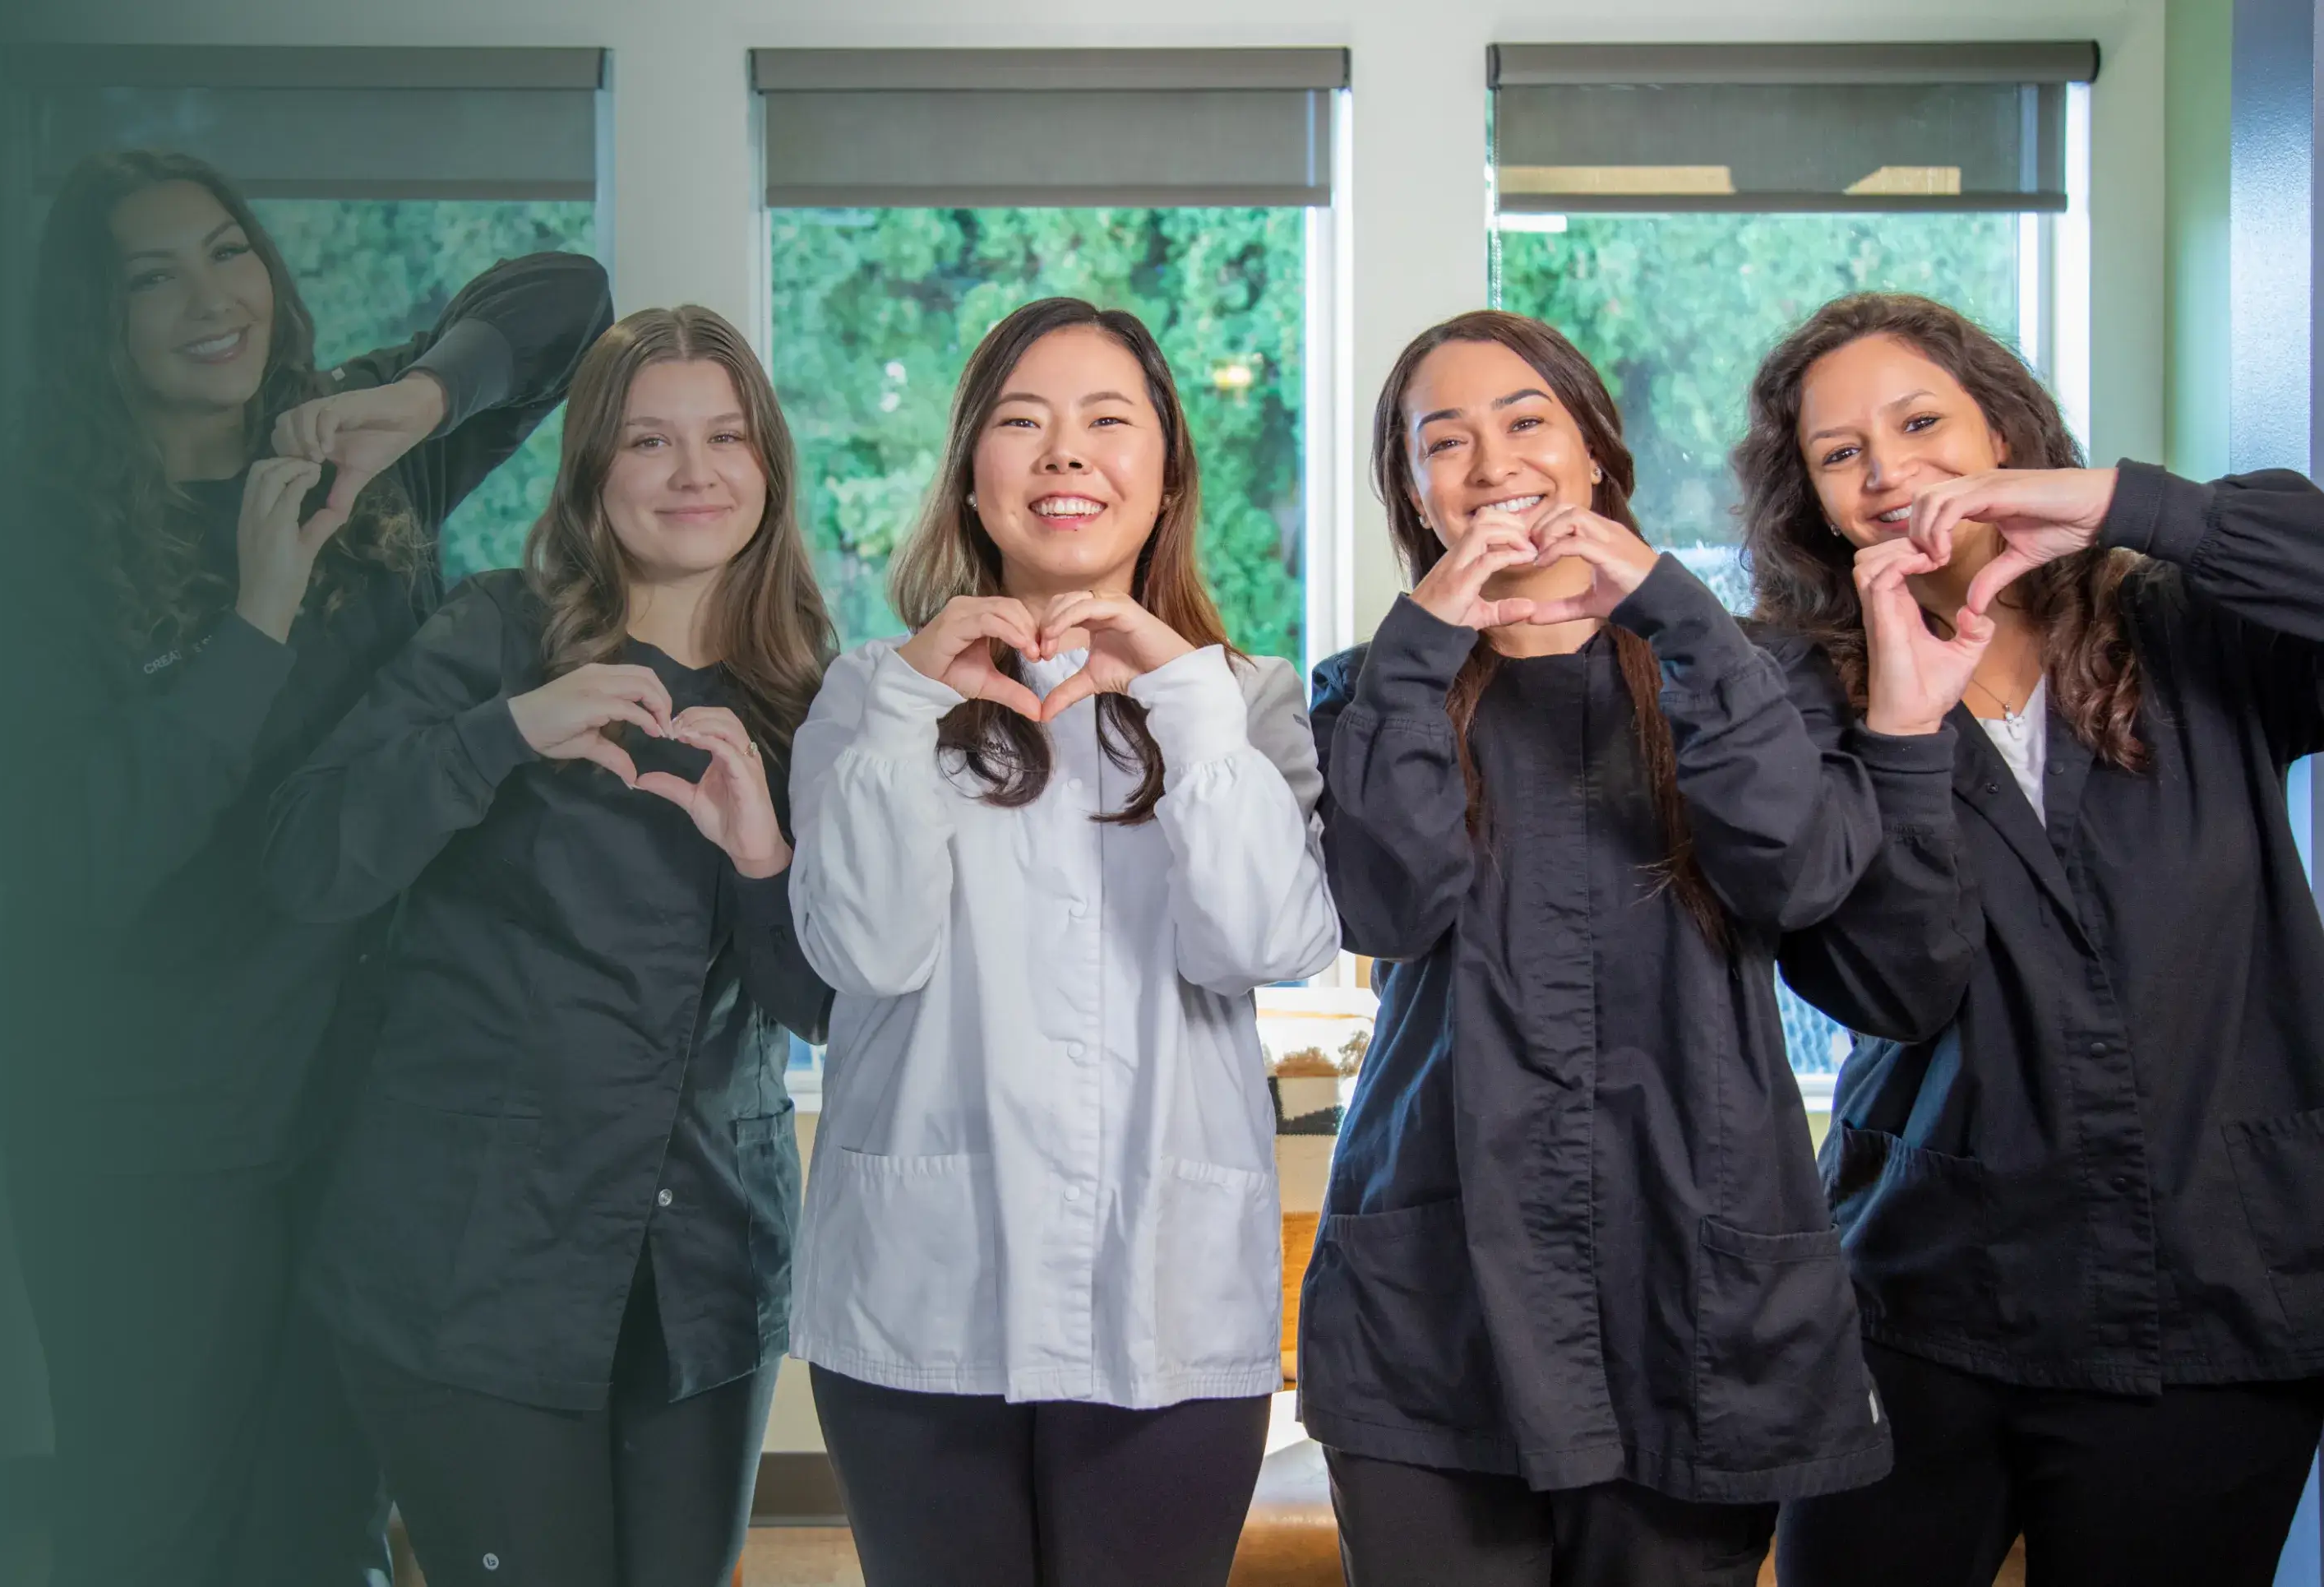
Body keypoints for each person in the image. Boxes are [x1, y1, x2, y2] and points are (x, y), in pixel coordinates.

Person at [0, 148, 608, 1586]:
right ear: (95, 325)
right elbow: (87, 856)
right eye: (153, 276)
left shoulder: (357, 456)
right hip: (141, 1125)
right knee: (153, 1519)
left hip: (357, 1103)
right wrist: (257, 618)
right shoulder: (28, 544)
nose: (213, 298)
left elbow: (567, 296)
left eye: (228, 251)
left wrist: (422, 397)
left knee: (322, 1518)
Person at [1301, 309, 1961, 1587]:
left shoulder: (1744, 670)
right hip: (1438, 1299)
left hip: (1693, 1287)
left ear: (1594, 451)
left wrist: (1675, 612)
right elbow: (1389, 905)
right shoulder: (1367, 688)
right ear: (1417, 495)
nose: (1492, 464)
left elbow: (1804, 870)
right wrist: (1424, 642)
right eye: (1445, 443)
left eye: (1527, 421)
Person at [1740, 293, 2324, 1587]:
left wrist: (2125, 503)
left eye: (1920, 420)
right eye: (1841, 453)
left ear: (2004, 424)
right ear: (1815, 501)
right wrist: (1900, 730)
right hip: (1924, 1305)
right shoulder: (1789, 694)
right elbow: (1896, 983)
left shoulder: (2189, 623)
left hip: (2215, 1310)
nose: (1888, 468)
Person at [262, 303, 834, 1587]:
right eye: (648, 442)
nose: (693, 472)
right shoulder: (491, 637)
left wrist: (761, 855)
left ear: (768, 468)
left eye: (725, 436)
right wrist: (507, 732)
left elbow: (826, 1003)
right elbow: (306, 859)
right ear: (590, 477)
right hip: (474, 1267)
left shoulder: (810, 693)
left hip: (702, 1278)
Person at [784, 296, 1338, 1587]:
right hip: (924, 1299)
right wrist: (921, 701)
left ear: (1166, 476)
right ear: (974, 480)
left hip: (1165, 1296)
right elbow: (859, 948)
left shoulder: (1242, 694)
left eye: (1108, 422)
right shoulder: (874, 689)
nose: (1065, 454)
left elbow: (1271, 936)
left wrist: (1184, 696)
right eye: (1022, 423)